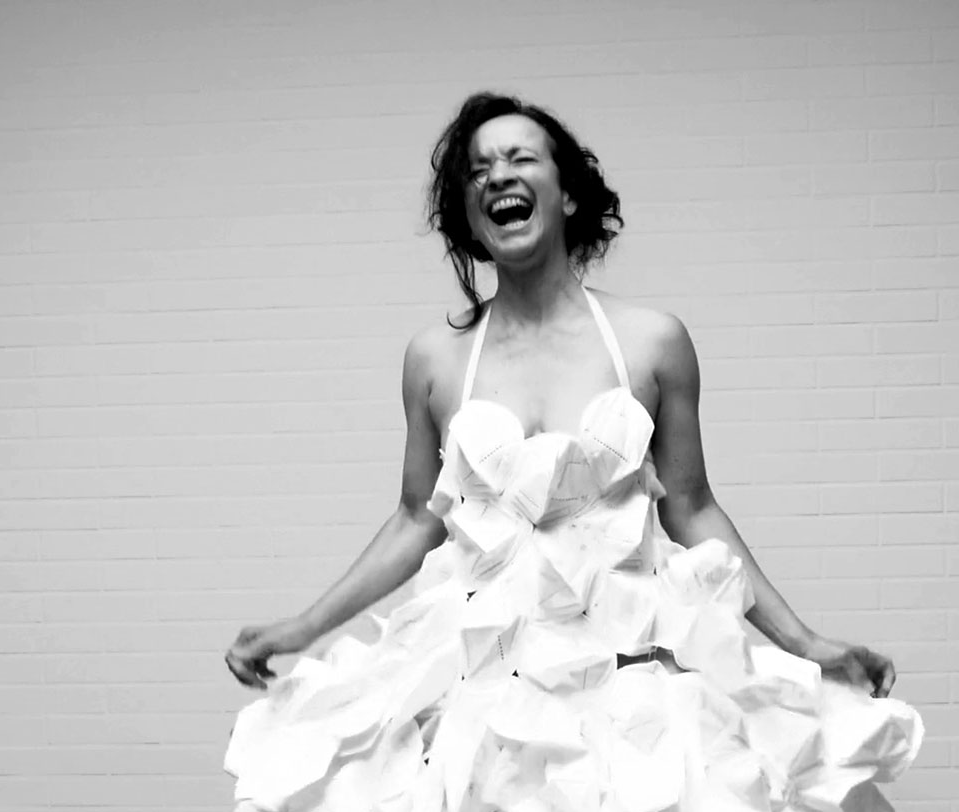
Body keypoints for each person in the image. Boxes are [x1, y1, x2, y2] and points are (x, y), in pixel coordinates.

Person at [223, 91, 922, 812]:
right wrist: (304, 627)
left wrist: (803, 641)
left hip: (626, 691)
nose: (497, 175)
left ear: (567, 195)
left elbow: (693, 509)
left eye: (520, 158)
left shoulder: (652, 342)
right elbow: (415, 518)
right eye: (477, 169)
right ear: (468, 215)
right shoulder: (433, 359)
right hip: (486, 704)